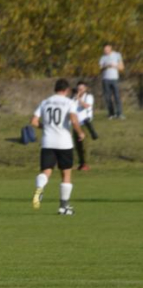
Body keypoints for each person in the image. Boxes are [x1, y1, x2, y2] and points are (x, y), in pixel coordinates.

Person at [31, 79, 85, 215]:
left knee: (46, 171)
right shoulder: (69, 102)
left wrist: (45, 126)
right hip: (64, 143)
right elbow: (73, 120)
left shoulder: (45, 102)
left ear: (55, 89)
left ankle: (40, 186)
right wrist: (80, 132)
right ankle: (63, 207)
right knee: (66, 174)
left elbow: (34, 122)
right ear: (66, 90)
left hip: (47, 142)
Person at [72, 81, 98, 171]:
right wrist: (75, 98)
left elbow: (86, 106)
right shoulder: (74, 98)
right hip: (76, 123)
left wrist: (79, 99)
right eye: (78, 89)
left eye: (81, 89)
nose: (80, 90)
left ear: (85, 89)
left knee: (85, 144)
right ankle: (81, 162)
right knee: (77, 144)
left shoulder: (89, 97)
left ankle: (85, 163)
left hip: (85, 123)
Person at [99, 43, 124, 119]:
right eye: (104, 49)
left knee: (117, 96)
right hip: (105, 79)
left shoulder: (117, 55)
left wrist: (114, 66)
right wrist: (106, 66)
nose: (105, 50)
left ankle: (119, 113)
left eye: (107, 49)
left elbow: (122, 67)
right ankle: (111, 113)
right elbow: (100, 68)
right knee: (108, 97)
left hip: (114, 79)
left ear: (110, 48)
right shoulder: (102, 57)